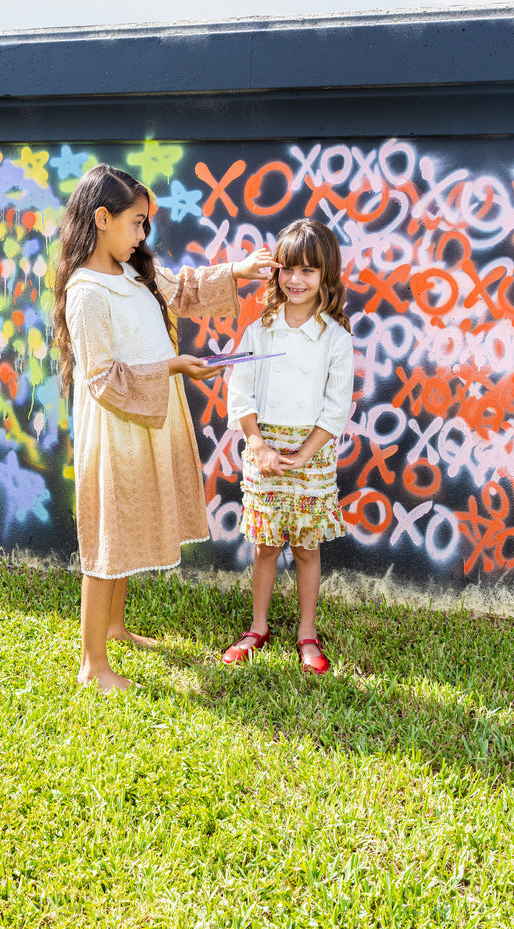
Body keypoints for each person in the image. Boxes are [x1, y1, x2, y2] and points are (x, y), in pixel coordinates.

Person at [50, 164, 277, 692]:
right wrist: (173, 367)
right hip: (115, 429)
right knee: (109, 537)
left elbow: (184, 289)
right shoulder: (86, 293)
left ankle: (116, 628)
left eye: (145, 224)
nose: (142, 235)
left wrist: (240, 271)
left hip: (148, 417)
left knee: (126, 526)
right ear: (101, 219)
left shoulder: (132, 271)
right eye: (136, 223)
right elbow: (103, 379)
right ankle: (93, 663)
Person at [221, 218, 354, 674]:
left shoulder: (335, 338)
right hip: (264, 450)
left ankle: (306, 632)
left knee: (306, 547)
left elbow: (337, 406)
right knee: (264, 545)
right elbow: (240, 389)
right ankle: (258, 626)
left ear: (326, 276)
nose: (296, 280)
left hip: (312, 456)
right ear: (276, 272)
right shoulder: (260, 330)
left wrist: (307, 451)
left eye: (309, 271)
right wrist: (256, 444)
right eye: (288, 269)